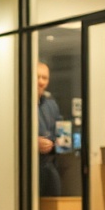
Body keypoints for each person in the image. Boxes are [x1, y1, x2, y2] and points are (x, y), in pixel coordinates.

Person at [36, 61, 62, 197]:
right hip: (27, 169)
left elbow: (63, 137)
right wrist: (33, 144)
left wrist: (54, 143)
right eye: (37, 77)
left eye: (44, 78)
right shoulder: (17, 103)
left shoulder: (52, 106)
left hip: (49, 166)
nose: (41, 82)